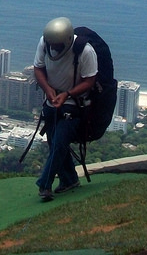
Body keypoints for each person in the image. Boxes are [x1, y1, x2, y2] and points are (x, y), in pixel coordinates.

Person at [32, 16, 97, 201]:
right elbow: (38, 68)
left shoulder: (85, 51)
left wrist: (68, 94)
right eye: (52, 45)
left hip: (74, 105)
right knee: (54, 144)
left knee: (59, 143)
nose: (54, 48)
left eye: (58, 45)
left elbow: (90, 81)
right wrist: (49, 90)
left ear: (68, 40)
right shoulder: (45, 43)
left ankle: (44, 185)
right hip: (52, 101)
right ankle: (69, 180)